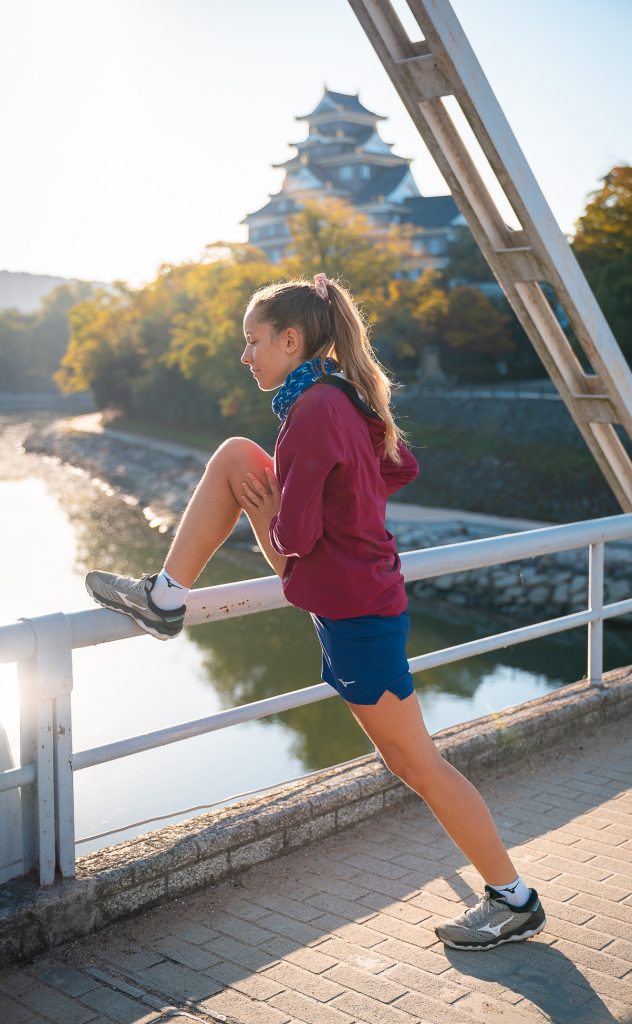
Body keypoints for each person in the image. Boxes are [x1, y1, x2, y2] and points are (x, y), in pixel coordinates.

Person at [85, 272, 546, 951]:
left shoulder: (313, 411)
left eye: (253, 341)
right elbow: (400, 467)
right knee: (412, 766)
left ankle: (513, 899)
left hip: (353, 613)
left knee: (421, 767)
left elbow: (293, 539)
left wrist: (275, 509)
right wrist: (322, 494)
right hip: (357, 602)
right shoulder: (337, 398)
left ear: (291, 339)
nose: (245, 356)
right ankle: (165, 594)